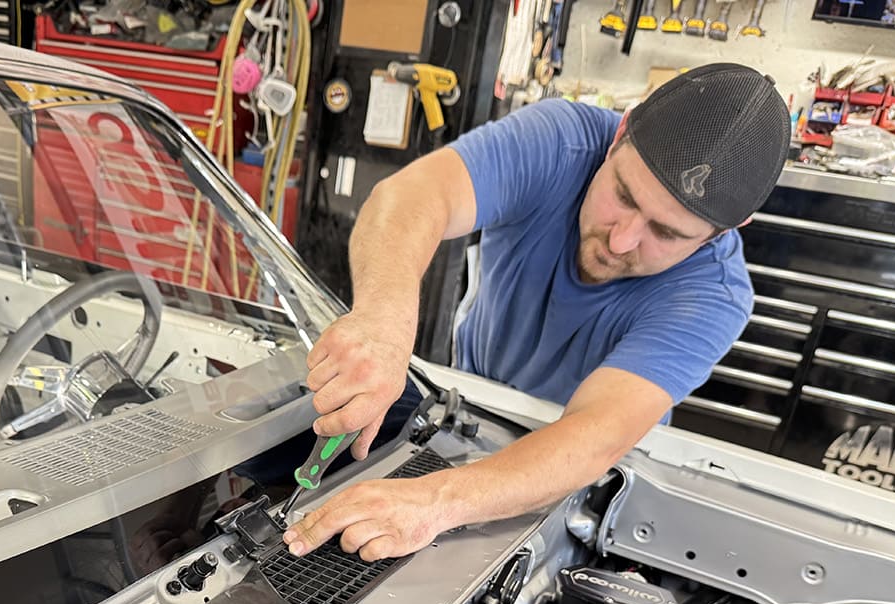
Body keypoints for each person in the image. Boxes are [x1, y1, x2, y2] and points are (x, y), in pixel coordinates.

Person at [283, 63, 791, 562]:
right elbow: (413, 196)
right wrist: (384, 328)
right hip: (466, 406)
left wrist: (434, 503)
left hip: (567, 470)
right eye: (623, 195)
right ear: (619, 136)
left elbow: (593, 438)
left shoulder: (713, 296)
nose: (622, 240)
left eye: (666, 233)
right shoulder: (560, 141)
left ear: (724, 232)